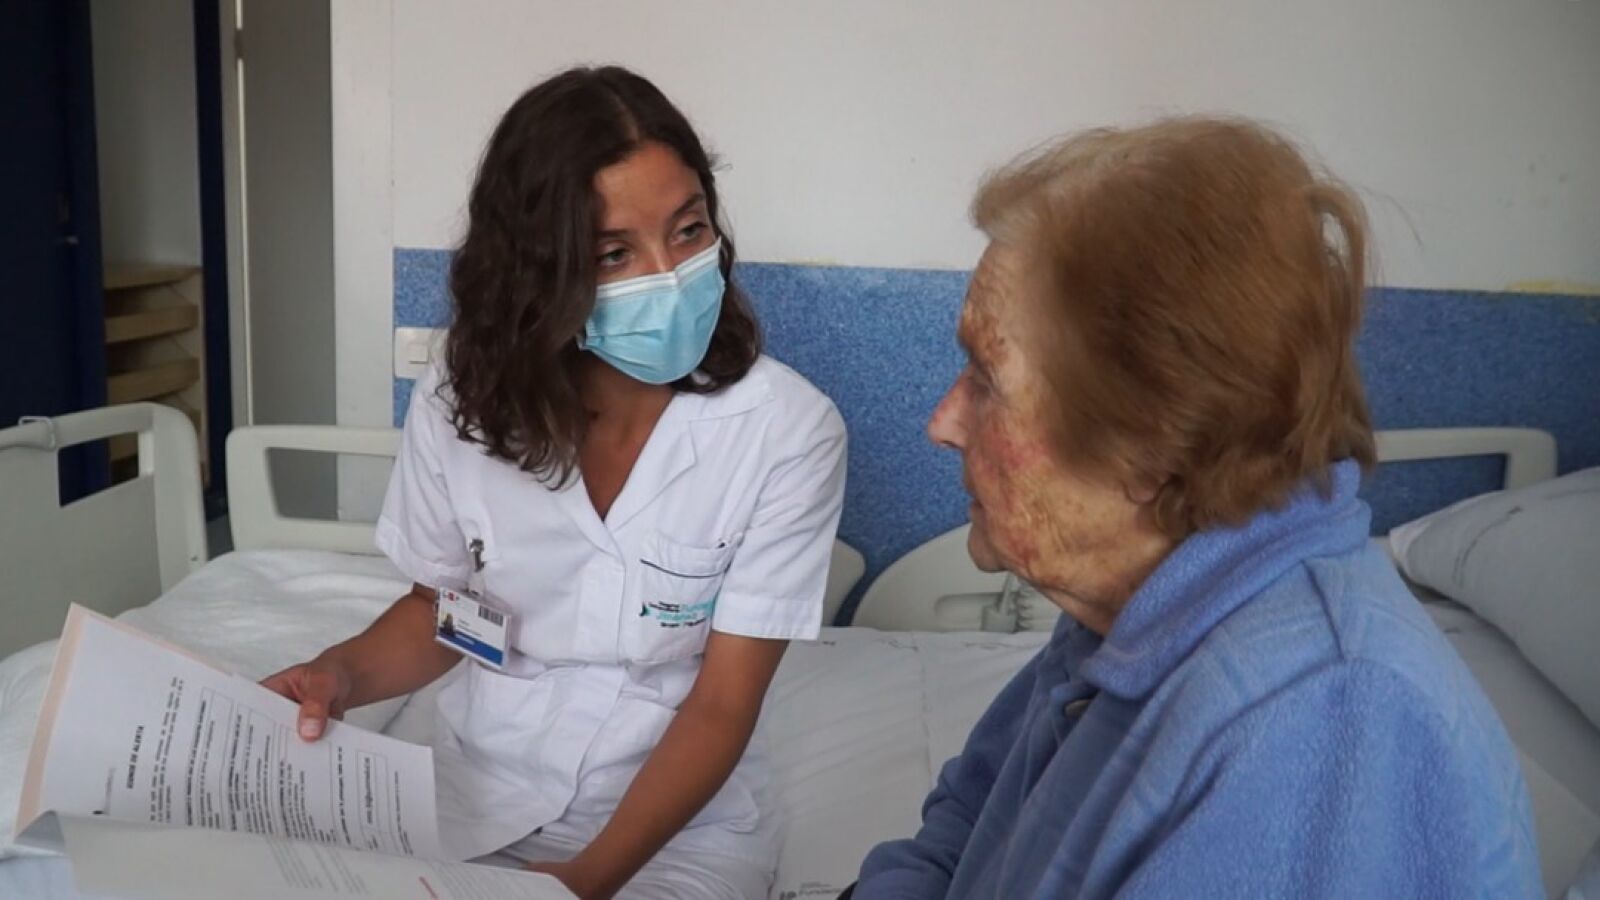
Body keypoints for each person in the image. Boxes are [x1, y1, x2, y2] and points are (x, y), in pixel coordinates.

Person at [848, 118, 1540, 898]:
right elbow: (964, 830)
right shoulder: (1132, 601)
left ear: (1149, 445)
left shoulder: (1319, 719)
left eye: (985, 379)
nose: (942, 423)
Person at [263, 66, 847, 900]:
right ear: (538, 271)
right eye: (614, 253)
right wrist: (342, 674)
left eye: (688, 230)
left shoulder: (787, 430)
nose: (670, 276)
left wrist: (582, 881)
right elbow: (440, 611)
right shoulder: (460, 403)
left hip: (668, 835)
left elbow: (722, 703)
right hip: (471, 794)